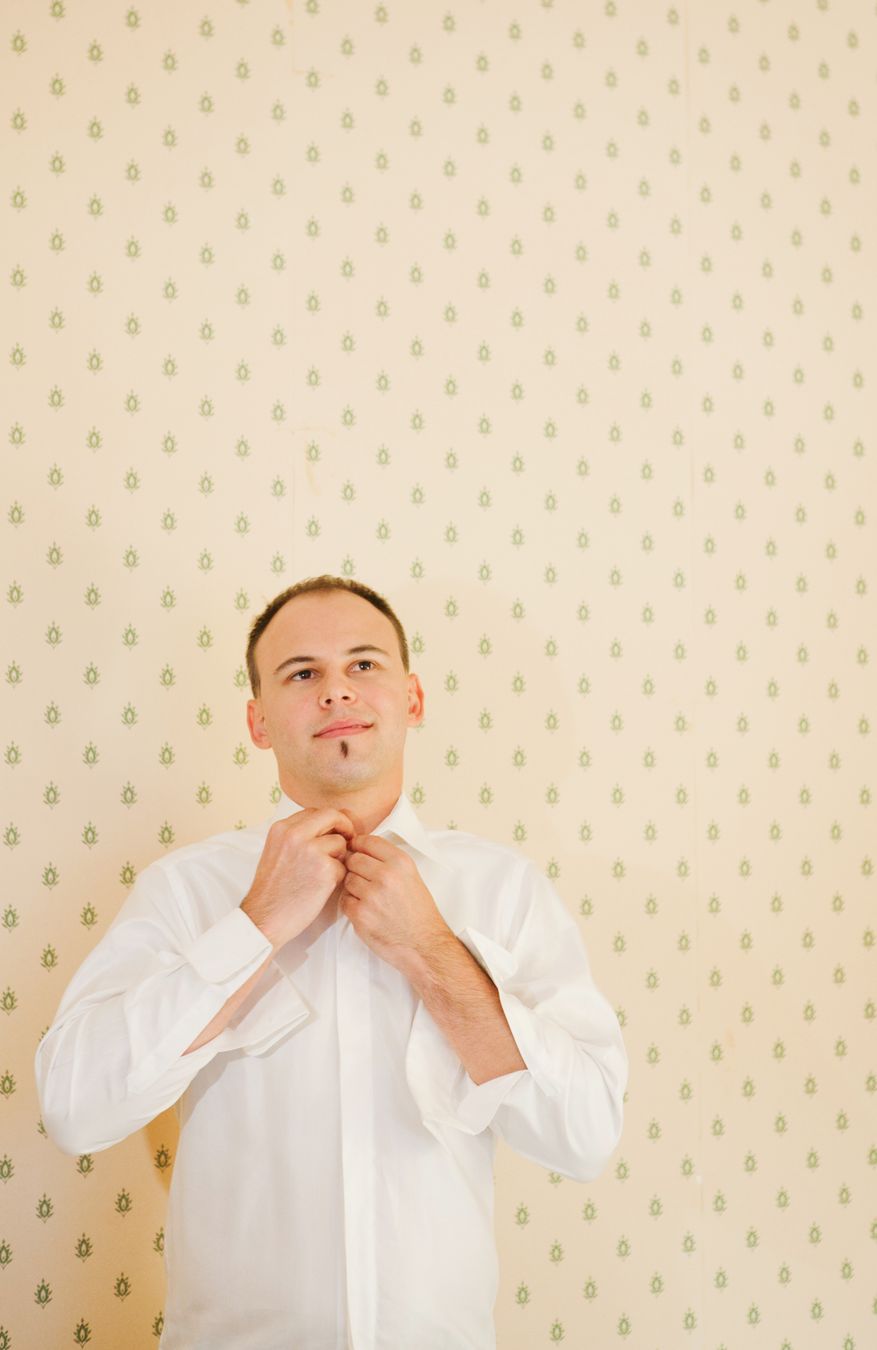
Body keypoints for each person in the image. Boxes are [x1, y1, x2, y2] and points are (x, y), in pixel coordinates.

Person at [35, 574, 628, 1350]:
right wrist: (256, 925)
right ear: (258, 720)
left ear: (412, 698)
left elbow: (584, 1135)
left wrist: (431, 952)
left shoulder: (505, 891)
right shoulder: (184, 891)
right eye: (302, 673)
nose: (336, 691)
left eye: (364, 664)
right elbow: (75, 1110)